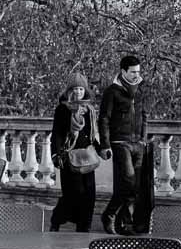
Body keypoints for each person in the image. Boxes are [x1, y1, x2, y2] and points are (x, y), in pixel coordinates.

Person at [98, 54, 151, 235]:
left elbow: (144, 115)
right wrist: (105, 145)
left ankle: (125, 223)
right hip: (120, 143)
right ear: (123, 71)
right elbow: (104, 118)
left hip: (138, 144)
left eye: (138, 71)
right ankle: (110, 214)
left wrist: (143, 139)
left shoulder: (140, 91)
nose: (137, 75)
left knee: (133, 186)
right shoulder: (112, 91)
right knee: (128, 181)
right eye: (133, 72)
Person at [50, 73, 100, 232]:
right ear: (69, 91)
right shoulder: (62, 109)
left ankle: (84, 229)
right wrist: (56, 154)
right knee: (73, 195)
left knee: (89, 196)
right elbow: (57, 133)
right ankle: (57, 218)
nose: (78, 92)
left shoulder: (90, 110)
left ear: (85, 90)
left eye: (80, 88)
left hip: (87, 157)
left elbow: (92, 136)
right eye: (74, 89)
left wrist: (102, 149)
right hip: (68, 156)